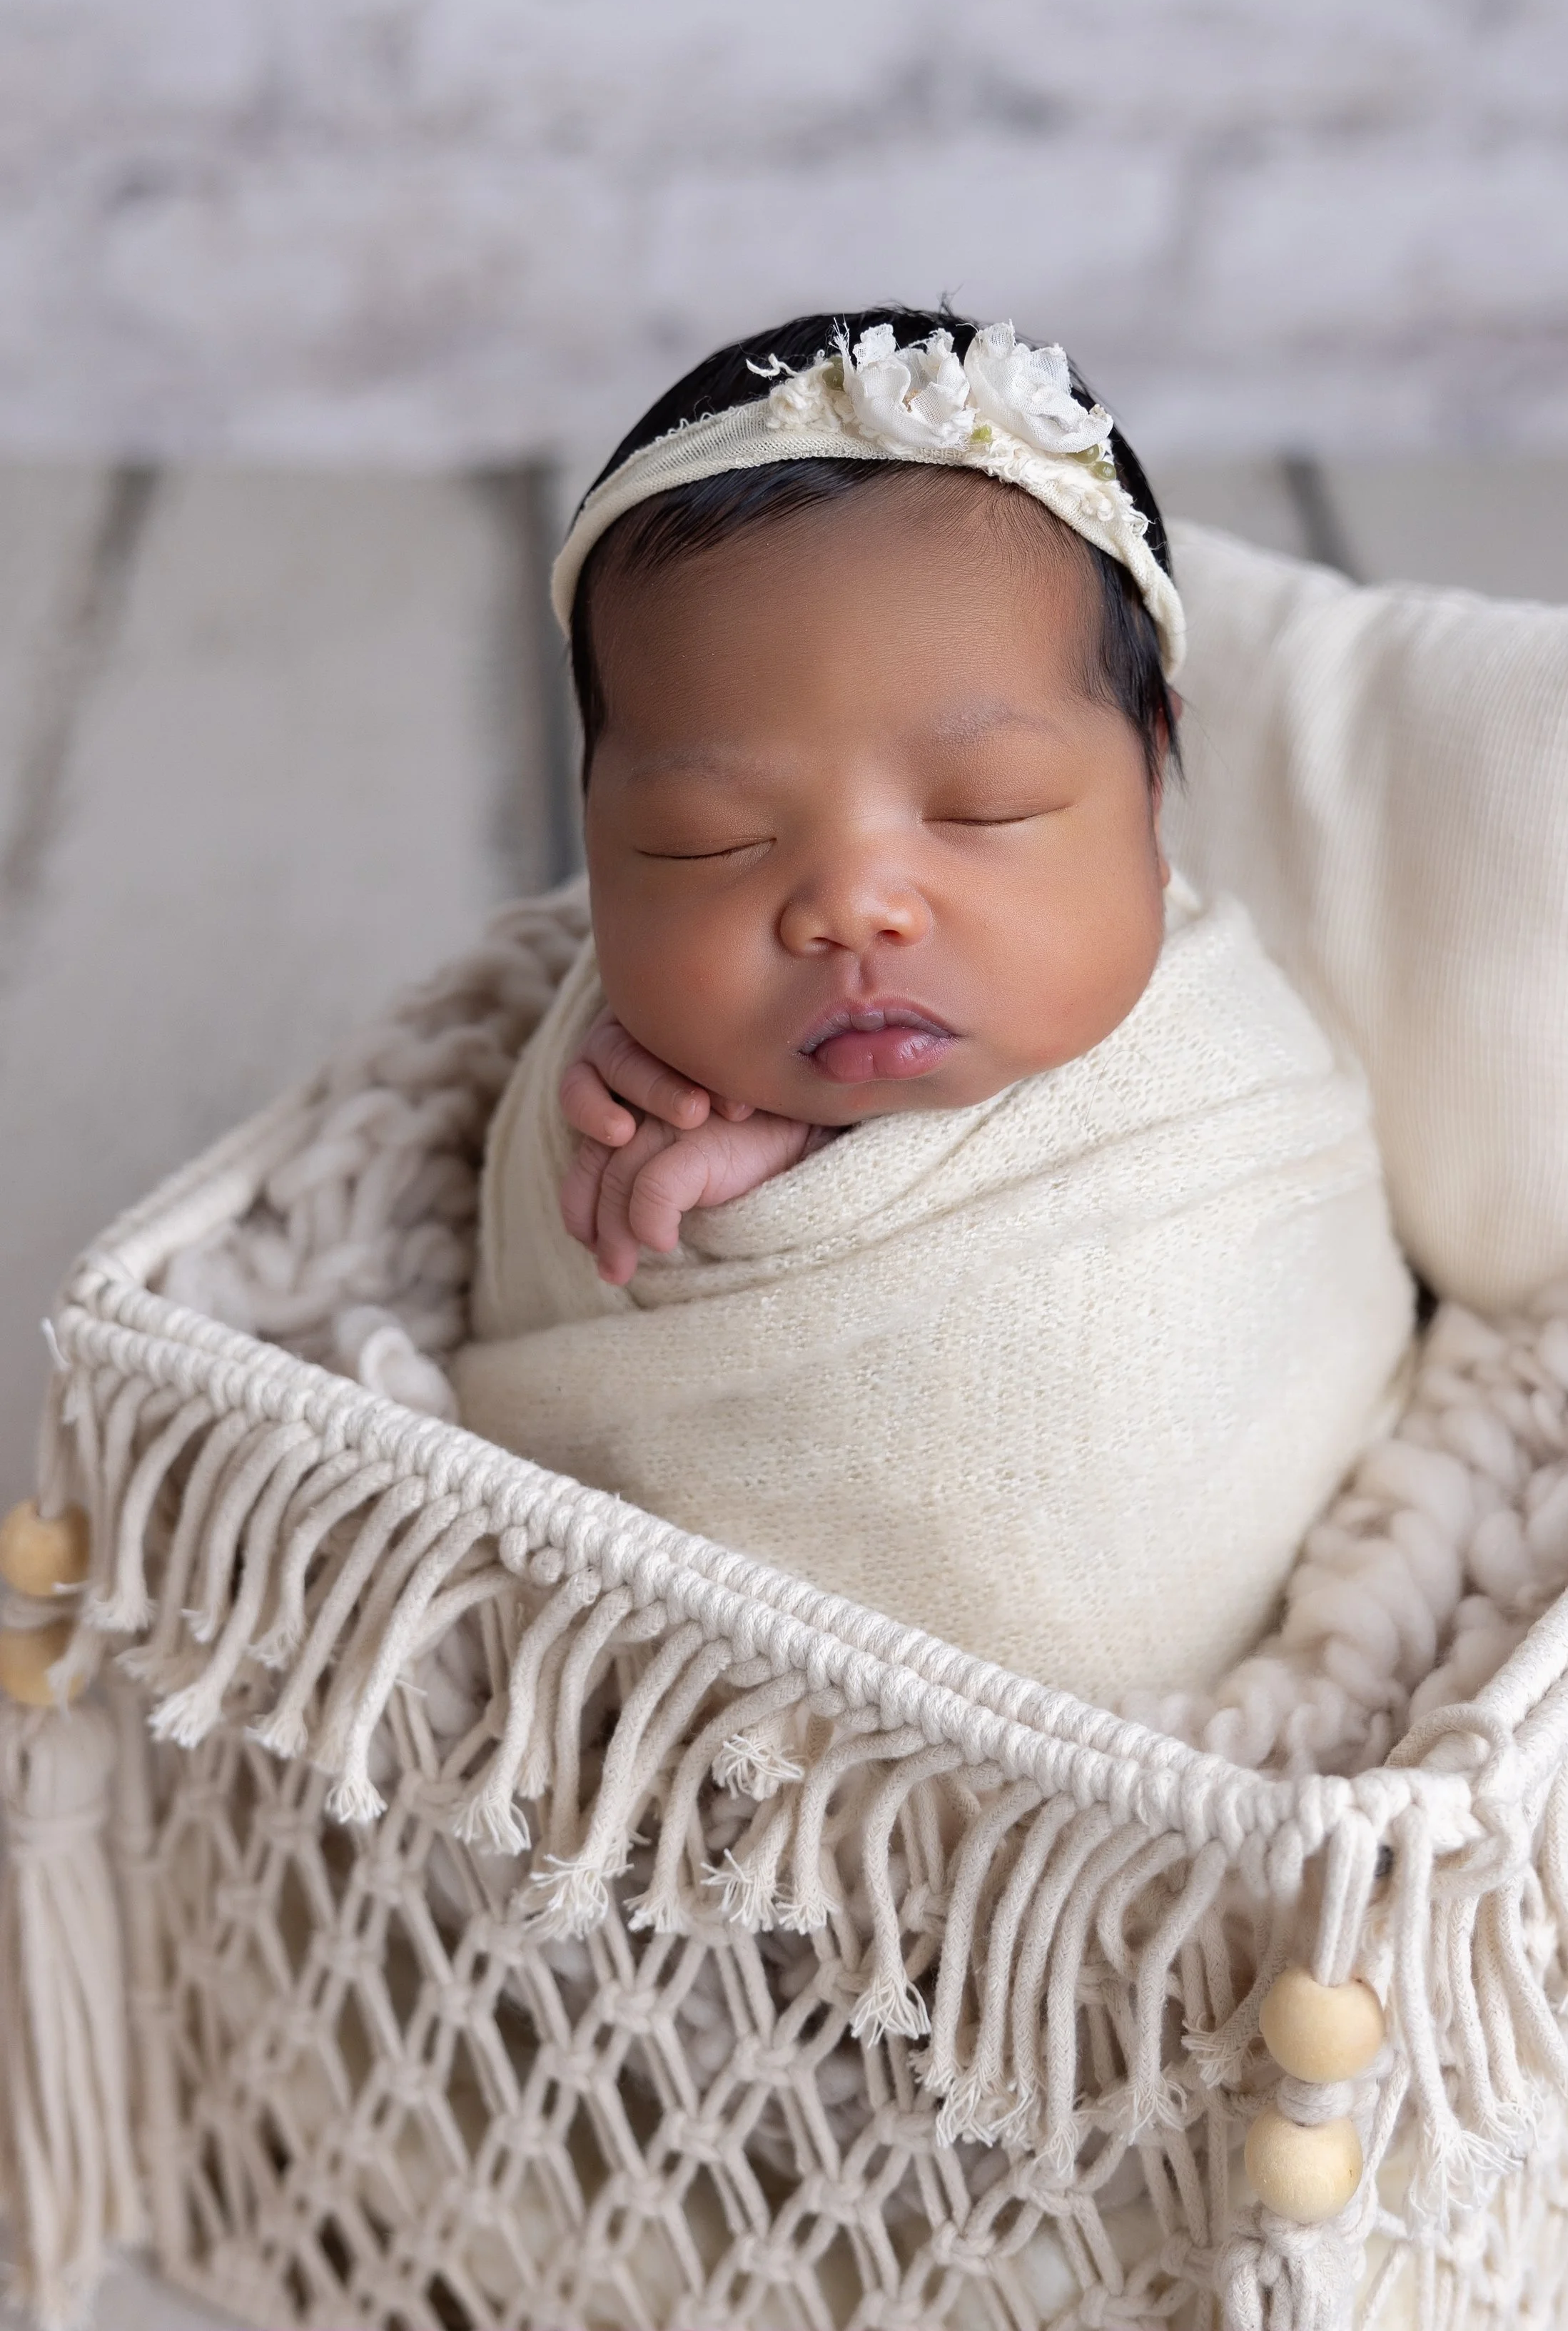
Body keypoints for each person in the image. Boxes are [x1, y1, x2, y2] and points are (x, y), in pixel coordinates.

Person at [452, 309, 1411, 1705]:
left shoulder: (1218, 1072)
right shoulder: (619, 1067)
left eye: (983, 809)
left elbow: (1295, 1320)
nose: (853, 906)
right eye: (706, 838)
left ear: (1149, 778)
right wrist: (692, 1143)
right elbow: (546, 1307)